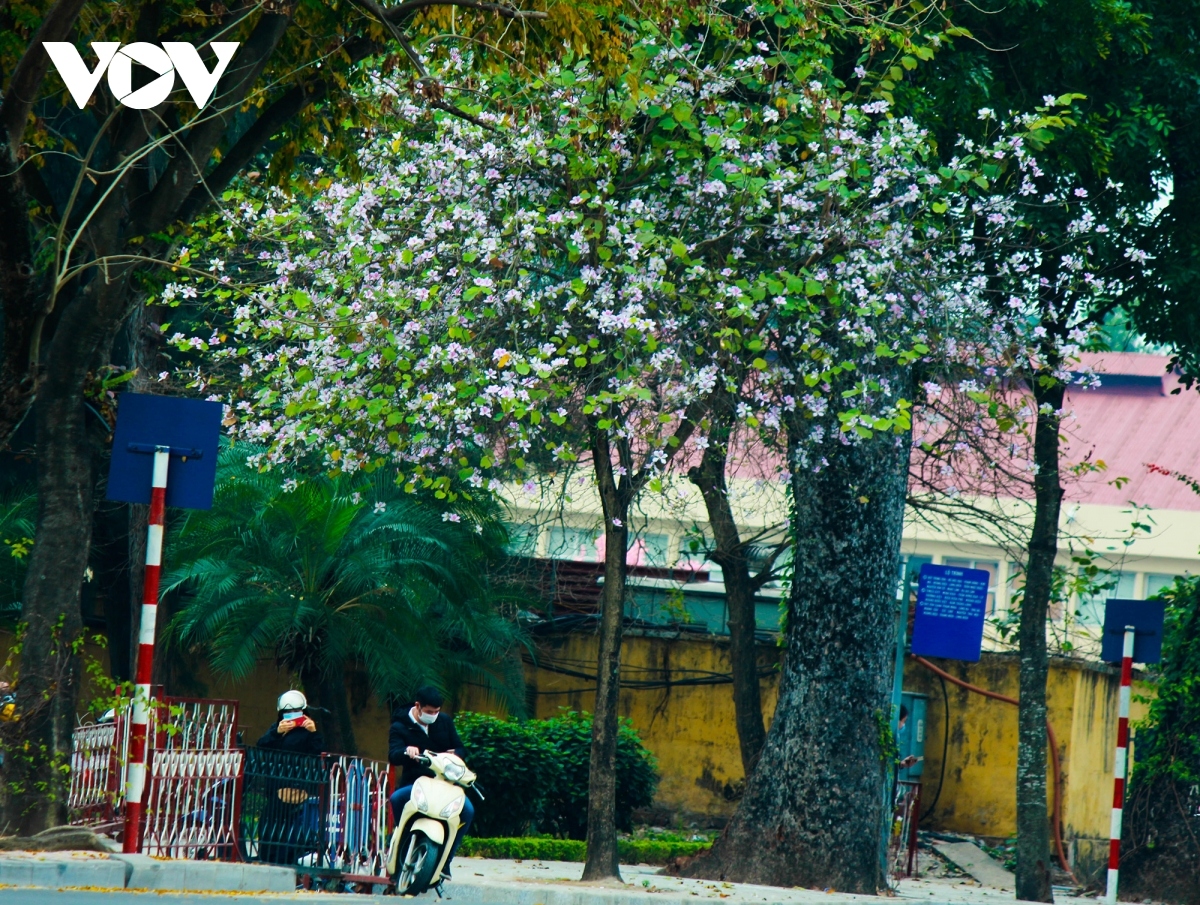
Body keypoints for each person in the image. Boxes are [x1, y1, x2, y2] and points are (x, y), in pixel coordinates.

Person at [387, 685, 474, 881]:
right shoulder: (400, 726)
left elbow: (460, 748)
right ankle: (400, 843)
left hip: (446, 785)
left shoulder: (443, 722)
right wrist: (406, 752)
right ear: (418, 706)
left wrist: (455, 754)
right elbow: (393, 755)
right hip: (417, 783)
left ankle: (445, 862)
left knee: (467, 811)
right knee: (397, 798)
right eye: (429, 712)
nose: (433, 715)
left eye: (436, 711)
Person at [257, 689, 324, 754]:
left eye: (296, 711)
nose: (292, 714)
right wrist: (277, 733)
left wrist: (313, 733)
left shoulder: (308, 730)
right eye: (288, 711)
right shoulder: (277, 727)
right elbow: (261, 745)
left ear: (303, 711)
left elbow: (318, 753)